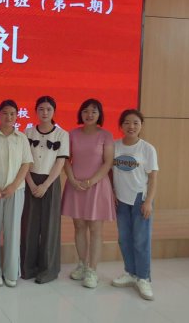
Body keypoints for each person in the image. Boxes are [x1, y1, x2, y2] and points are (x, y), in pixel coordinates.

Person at [61, 98, 115, 289]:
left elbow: (108, 162)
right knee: (79, 227)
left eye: (93, 111)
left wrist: (91, 181)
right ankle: (82, 265)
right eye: (85, 111)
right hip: (75, 186)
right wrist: (72, 180)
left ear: (99, 114)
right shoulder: (72, 134)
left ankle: (92, 270)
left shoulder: (106, 135)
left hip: (97, 187)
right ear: (80, 114)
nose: (89, 114)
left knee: (95, 229)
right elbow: (66, 160)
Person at [0, 99, 33, 287]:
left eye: (12, 114)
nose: (8, 117)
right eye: (5, 113)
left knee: (13, 231)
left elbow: (26, 163)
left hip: (15, 191)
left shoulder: (22, 138)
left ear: (17, 116)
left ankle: (11, 272)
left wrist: (13, 186)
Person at [21, 96, 69, 284]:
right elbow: (24, 161)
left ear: (54, 111)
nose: (45, 112)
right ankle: (27, 267)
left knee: (50, 226)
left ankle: (48, 270)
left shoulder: (62, 134)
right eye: (41, 109)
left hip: (51, 182)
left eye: (48, 109)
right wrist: (32, 184)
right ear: (36, 111)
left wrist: (45, 185)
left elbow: (60, 162)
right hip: (30, 181)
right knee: (29, 226)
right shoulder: (28, 132)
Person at [111, 109, 158, 301]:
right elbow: (109, 171)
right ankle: (130, 273)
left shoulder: (147, 149)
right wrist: (112, 193)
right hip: (121, 199)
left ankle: (143, 278)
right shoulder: (114, 146)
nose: (131, 126)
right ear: (121, 126)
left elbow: (153, 178)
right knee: (124, 239)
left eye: (136, 123)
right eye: (127, 123)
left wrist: (148, 202)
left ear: (141, 126)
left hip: (140, 199)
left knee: (141, 240)